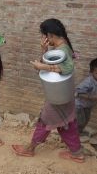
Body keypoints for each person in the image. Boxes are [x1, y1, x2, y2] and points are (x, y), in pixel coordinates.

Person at [12, 18, 84, 162]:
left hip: (58, 97)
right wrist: (44, 51)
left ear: (50, 35)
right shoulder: (61, 46)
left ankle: (30, 149)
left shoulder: (63, 49)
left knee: (45, 122)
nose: (43, 38)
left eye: (44, 35)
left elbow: (68, 68)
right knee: (66, 124)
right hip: (62, 94)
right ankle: (77, 154)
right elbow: (52, 66)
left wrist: (43, 67)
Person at [75, 58, 97, 134]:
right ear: (91, 72)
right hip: (79, 105)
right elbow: (77, 93)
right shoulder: (88, 82)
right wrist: (91, 97)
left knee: (86, 120)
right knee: (80, 121)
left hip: (88, 106)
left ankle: (79, 132)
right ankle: (74, 135)